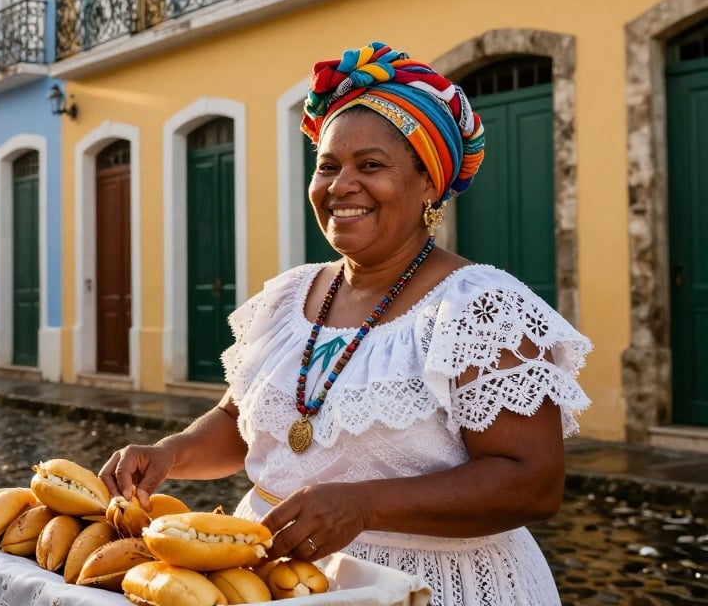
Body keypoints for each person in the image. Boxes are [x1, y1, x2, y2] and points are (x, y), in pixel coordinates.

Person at [98, 43, 592, 606]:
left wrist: (362, 505)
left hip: (435, 587)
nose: (340, 186)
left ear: (430, 184)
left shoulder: (479, 308)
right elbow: (246, 422)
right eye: (327, 166)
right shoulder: (289, 297)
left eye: (371, 166)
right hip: (271, 580)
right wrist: (173, 453)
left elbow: (531, 481)